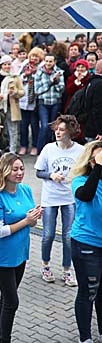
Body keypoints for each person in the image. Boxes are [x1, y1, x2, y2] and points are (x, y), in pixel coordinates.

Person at [0, 153, 42, 343]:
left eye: (21, 168)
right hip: (2, 255)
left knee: (6, 298)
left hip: (20, 253)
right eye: (15, 169)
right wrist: (26, 220)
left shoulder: (25, 190)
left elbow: (31, 224)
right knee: (12, 301)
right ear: (4, 171)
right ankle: (5, 339)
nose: (19, 173)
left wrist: (33, 219)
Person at [35, 114, 83, 287]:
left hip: (69, 198)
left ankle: (67, 269)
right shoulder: (49, 149)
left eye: (62, 129)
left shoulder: (79, 150)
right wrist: (51, 175)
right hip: (50, 197)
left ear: (70, 131)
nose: (58, 132)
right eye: (56, 129)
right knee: (48, 234)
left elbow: (84, 170)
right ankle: (45, 265)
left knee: (69, 236)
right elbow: (38, 172)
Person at [70, 140, 102, 343]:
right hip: (86, 245)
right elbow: (86, 195)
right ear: (90, 161)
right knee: (88, 292)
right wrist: (98, 167)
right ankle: (85, 337)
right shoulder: (80, 181)